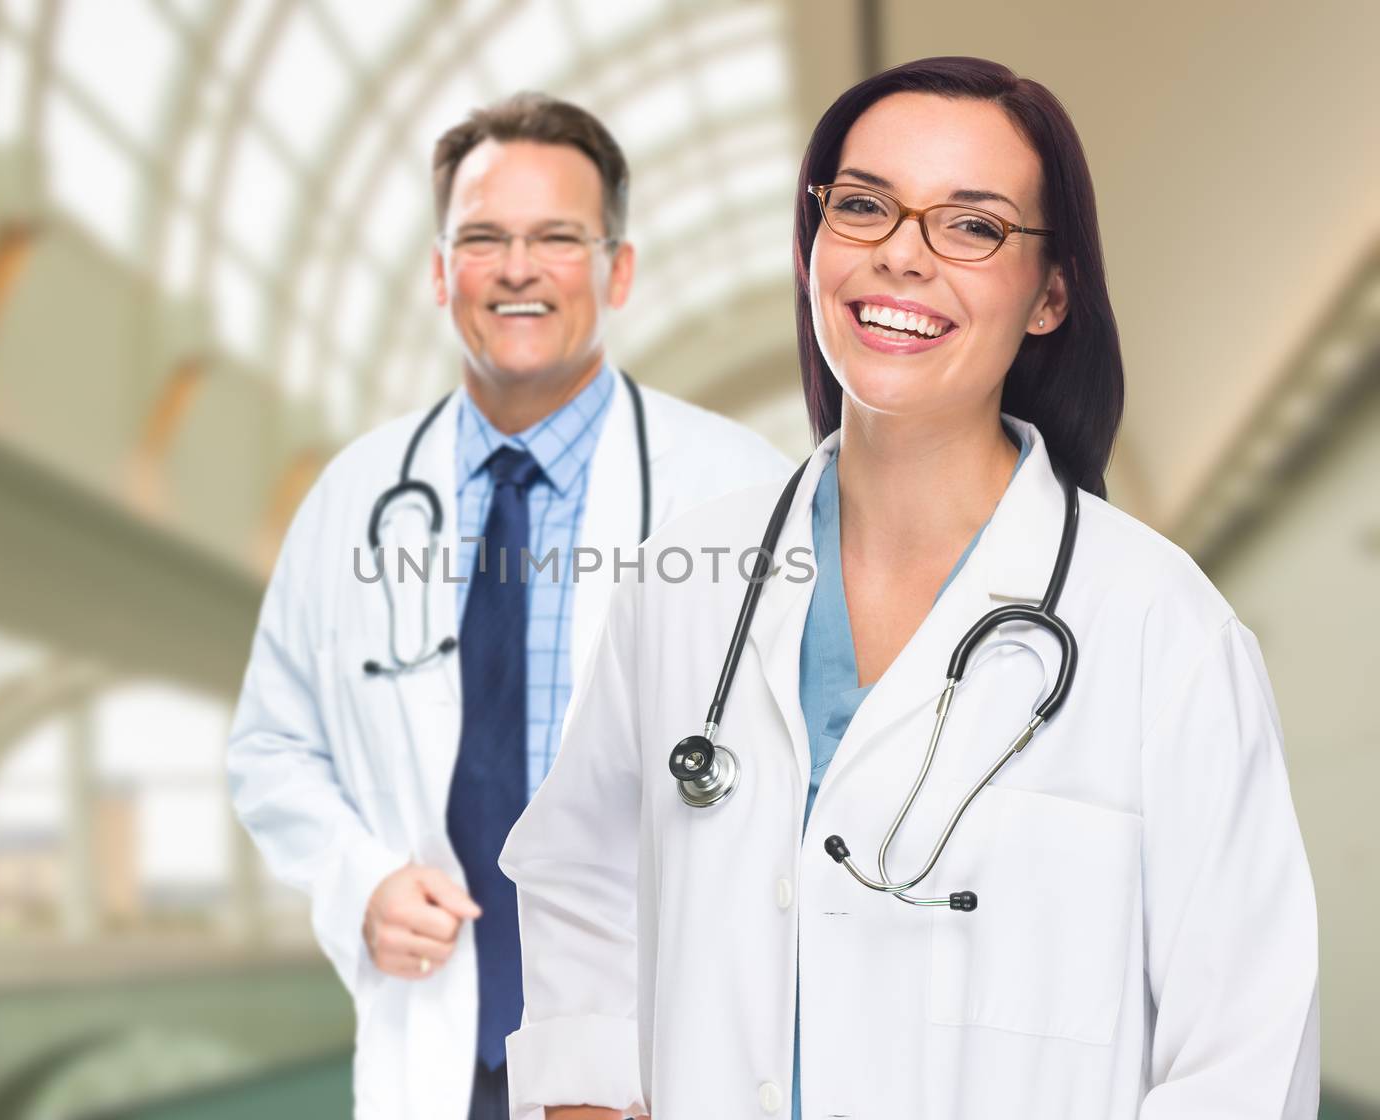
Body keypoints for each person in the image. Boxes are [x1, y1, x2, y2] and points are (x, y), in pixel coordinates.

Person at [500, 57, 1319, 1120]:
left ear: (1049, 294)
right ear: (812, 244)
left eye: (971, 225)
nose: (900, 253)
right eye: (863, 205)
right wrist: (587, 1101)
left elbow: (1246, 1048)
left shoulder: (1162, 628)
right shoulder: (682, 584)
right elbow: (579, 874)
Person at [226, 92, 790, 1120]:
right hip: (441, 1046)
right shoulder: (353, 498)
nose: (518, 268)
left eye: (557, 238)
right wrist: (358, 881)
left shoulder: (742, 486)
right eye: (483, 237)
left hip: (665, 1051)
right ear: (441, 272)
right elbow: (271, 745)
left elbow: (815, 763)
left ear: (617, 269)